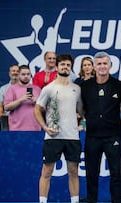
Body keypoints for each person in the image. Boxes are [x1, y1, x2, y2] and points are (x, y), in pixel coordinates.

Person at [34, 54, 83, 203]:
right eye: (62, 65)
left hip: (72, 137)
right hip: (52, 137)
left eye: (68, 65)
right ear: (57, 67)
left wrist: (83, 124)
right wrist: (45, 127)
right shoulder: (48, 89)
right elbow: (37, 109)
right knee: (47, 171)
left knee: (73, 172)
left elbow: (82, 112)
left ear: (71, 68)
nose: (65, 67)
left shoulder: (77, 89)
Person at [81, 52, 121, 203]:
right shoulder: (85, 86)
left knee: (116, 174)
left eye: (105, 63)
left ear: (110, 66)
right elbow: (79, 109)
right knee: (91, 174)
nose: (102, 66)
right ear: (94, 66)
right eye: (99, 64)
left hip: (113, 136)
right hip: (92, 137)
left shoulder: (119, 86)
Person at [4, 65, 41, 131]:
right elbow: (6, 107)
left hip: (35, 128)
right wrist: (21, 99)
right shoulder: (12, 89)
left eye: (28, 74)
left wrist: (37, 102)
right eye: (23, 74)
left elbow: (44, 109)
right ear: (18, 75)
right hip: (17, 129)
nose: (26, 76)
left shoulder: (37, 89)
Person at [0, 64, 19, 130]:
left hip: (22, 118)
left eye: (17, 71)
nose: (15, 73)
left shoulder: (25, 87)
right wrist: (0, 113)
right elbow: (0, 105)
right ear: (9, 73)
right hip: (7, 118)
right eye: (13, 71)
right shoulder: (3, 88)